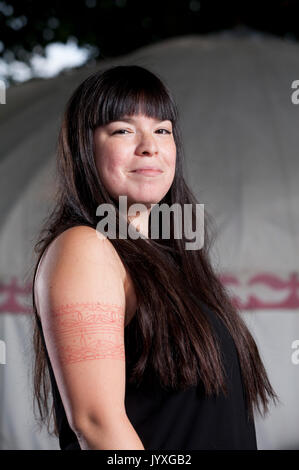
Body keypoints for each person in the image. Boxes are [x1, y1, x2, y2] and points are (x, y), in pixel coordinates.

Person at [31, 64, 278, 450]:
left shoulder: (174, 262)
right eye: (123, 130)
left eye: (162, 130)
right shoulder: (86, 246)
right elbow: (96, 424)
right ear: (84, 147)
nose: (150, 145)